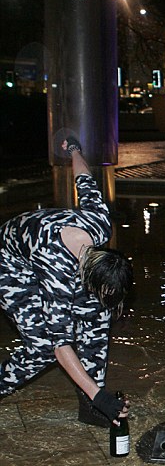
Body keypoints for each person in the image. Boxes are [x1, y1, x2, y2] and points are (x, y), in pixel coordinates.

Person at [0, 137, 132, 427]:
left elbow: (84, 178)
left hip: (46, 248)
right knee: (43, 347)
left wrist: (74, 149)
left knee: (97, 314)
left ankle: (89, 406)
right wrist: (101, 397)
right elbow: (61, 344)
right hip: (9, 263)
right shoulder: (57, 270)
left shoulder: (100, 224)